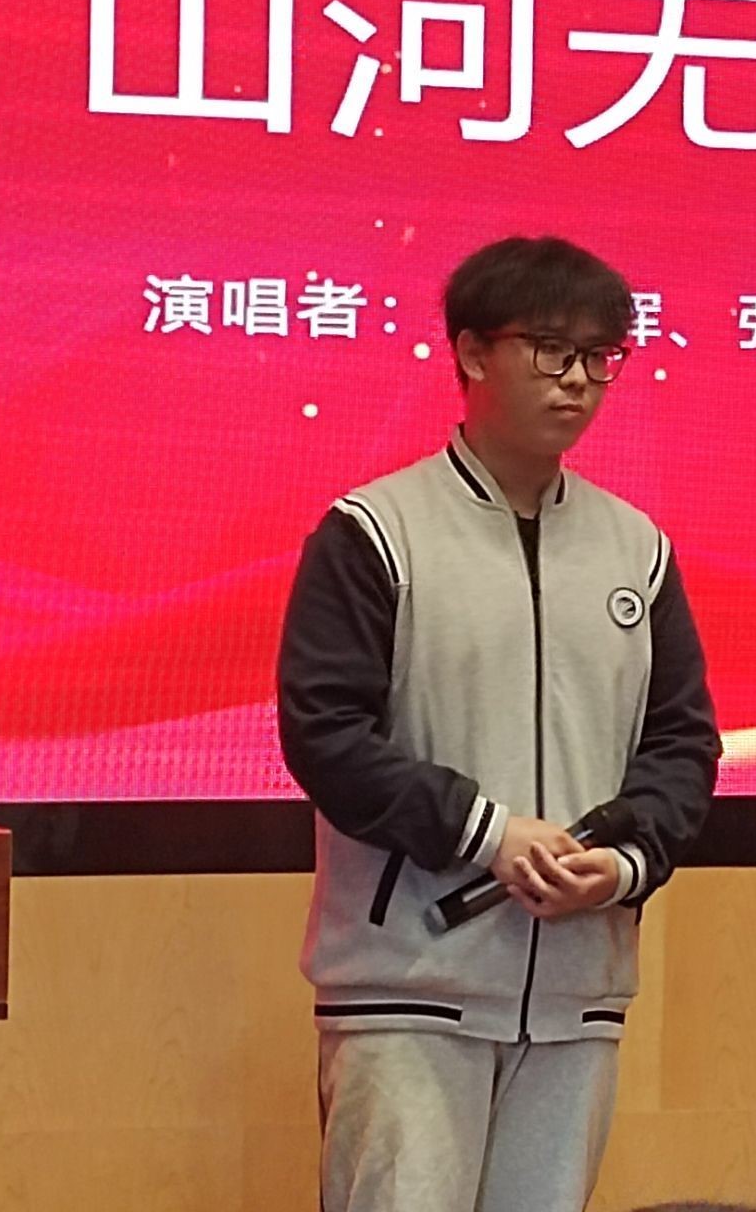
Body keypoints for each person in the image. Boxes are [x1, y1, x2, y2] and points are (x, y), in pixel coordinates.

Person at [278, 234, 720, 1212]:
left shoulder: (635, 547)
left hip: (576, 990)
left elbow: (681, 744)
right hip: (407, 985)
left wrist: (624, 866)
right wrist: (489, 834)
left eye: (600, 356)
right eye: (551, 350)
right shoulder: (376, 532)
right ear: (473, 353)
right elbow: (326, 735)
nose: (578, 380)